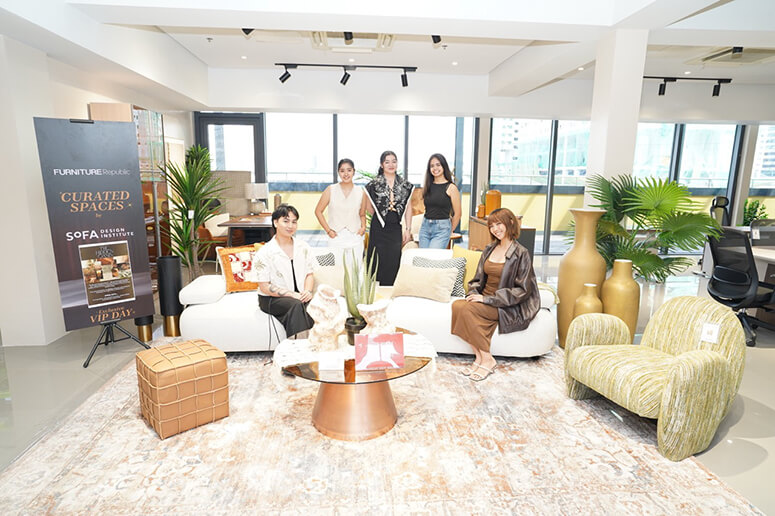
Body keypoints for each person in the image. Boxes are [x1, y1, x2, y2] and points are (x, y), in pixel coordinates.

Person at [450, 208, 540, 381]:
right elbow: (477, 279)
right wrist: (474, 294)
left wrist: (487, 299)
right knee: (457, 305)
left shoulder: (521, 253)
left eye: (499, 224)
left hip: (505, 304)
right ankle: (479, 358)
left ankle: (488, 359)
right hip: (484, 299)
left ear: (510, 223)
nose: (495, 229)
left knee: (467, 310)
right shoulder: (490, 249)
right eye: (491, 226)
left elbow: (522, 290)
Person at [254, 204, 316, 339]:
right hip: (270, 298)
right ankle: (298, 346)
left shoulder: (303, 247)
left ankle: (316, 344)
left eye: (294, 222)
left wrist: (307, 291)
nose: (290, 226)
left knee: (317, 305)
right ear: (275, 223)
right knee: (297, 305)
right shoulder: (265, 252)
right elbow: (264, 286)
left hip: (299, 295)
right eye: (286, 221)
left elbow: (309, 274)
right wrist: (292, 294)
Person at [364, 150, 414, 286]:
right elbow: (368, 206)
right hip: (378, 225)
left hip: (395, 225)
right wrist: (380, 214)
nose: (391, 165)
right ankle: (375, 290)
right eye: (387, 162)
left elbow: (408, 208)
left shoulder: (405, 185)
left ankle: (390, 289)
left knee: (393, 258)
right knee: (377, 257)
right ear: (382, 165)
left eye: (394, 161)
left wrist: (408, 229)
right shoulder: (374, 184)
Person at [314, 158, 367, 250]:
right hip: (336, 237)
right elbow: (318, 211)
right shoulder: (330, 189)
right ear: (338, 172)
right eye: (342, 171)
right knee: (336, 260)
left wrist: (363, 227)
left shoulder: (361, 192)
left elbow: (362, 214)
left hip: (355, 237)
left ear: (354, 172)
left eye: (349, 170)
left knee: (355, 260)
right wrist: (328, 231)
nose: (346, 174)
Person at [418, 153, 461, 249]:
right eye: (432, 166)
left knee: (432, 257)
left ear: (444, 166)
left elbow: (458, 214)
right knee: (423, 257)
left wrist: (450, 230)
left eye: (438, 165)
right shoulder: (428, 186)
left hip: (442, 228)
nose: (435, 168)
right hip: (425, 227)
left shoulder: (451, 187)